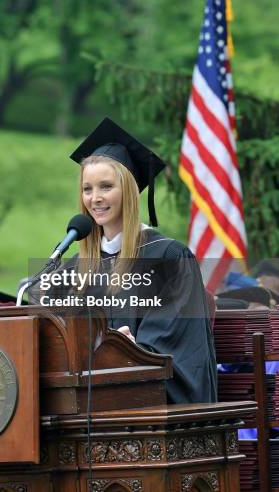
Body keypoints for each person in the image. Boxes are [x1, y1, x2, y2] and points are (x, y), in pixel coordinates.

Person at [31, 118, 217, 404]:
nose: (95, 198)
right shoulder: (73, 269)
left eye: (106, 186)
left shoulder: (167, 259)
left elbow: (176, 348)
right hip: (83, 405)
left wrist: (128, 352)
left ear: (128, 192)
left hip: (145, 405)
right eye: (87, 189)